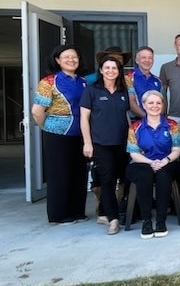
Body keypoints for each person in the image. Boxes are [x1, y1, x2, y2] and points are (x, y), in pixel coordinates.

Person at [31, 44, 89, 224]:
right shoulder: (49, 82)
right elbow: (36, 111)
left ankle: (77, 211)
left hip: (80, 134)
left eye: (75, 57)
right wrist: (46, 127)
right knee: (59, 175)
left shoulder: (83, 82)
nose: (71, 60)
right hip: (57, 135)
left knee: (79, 174)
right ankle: (59, 214)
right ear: (57, 60)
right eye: (66, 57)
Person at [80, 55, 131, 235]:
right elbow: (84, 118)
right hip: (101, 143)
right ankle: (113, 219)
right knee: (108, 180)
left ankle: (105, 213)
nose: (111, 71)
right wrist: (87, 143)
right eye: (107, 68)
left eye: (114, 68)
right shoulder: (92, 90)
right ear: (101, 70)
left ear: (119, 71)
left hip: (122, 143)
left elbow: (126, 116)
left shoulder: (123, 91)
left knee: (122, 177)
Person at [126, 90, 180, 239]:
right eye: (151, 102)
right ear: (143, 105)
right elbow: (134, 153)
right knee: (145, 175)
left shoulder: (172, 125)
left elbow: (177, 149)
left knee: (163, 175)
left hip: (167, 161)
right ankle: (146, 220)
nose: (155, 106)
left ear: (163, 105)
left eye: (158, 102)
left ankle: (161, 221)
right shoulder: (135, 127)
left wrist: (165, 161)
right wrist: (152, 162)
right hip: (143, 162)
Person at [126, 46, 161, 119]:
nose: (147, 60)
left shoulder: (157, 80)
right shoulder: (129, 78)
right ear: (137, 60)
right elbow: (131, 103)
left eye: (150, 58)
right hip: (135, 122)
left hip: (155, 122)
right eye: (143, 57)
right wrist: (148, 119)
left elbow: (162, 102)